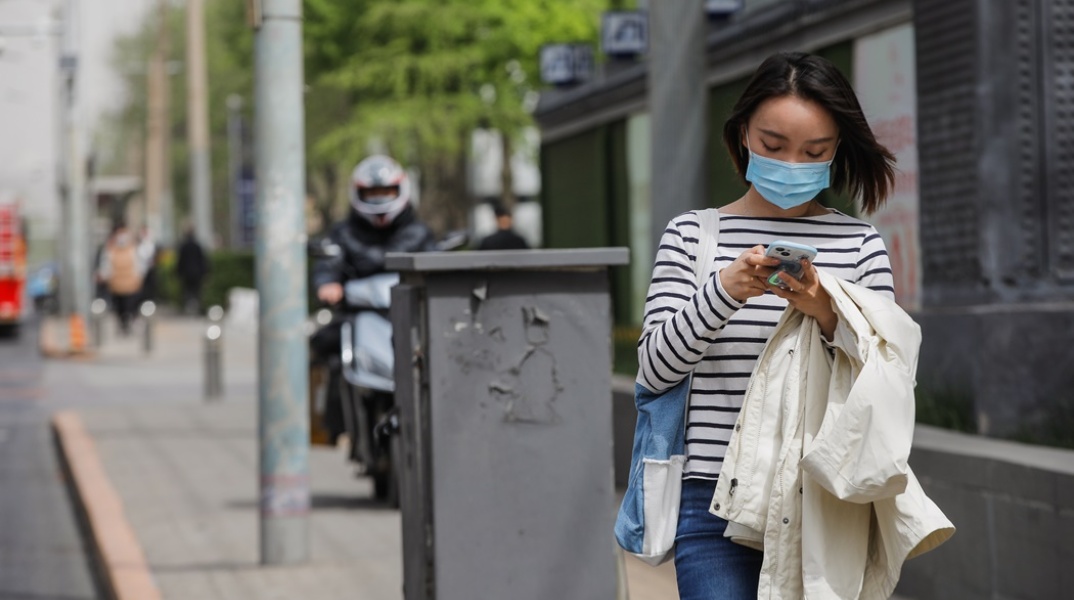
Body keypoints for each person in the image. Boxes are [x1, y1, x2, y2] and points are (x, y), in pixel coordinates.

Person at [636, 51, 897, 598]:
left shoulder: (861, 245)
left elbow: (886, 382)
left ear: (836, 152)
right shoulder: (692, 237)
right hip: (711, 499)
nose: (791, 164)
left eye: (814, 152)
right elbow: (654, 370)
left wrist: (826, 310)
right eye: (774, 146)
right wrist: (725, 290)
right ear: (743, 137)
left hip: (824, 502)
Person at [310, 154, 437, 442]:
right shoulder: (344, 233)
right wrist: (327, 284)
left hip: (408, 315)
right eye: (373, 193)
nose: (380, 199)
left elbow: (436, 261)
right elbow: (328, 265)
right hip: (361, 314)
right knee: (323, 350)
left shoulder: (418, 232)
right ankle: (325, 428)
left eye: (386, 192)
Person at [98, 224, 145, 335]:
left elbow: (139, 266)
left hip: (131, 284)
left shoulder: (133, 249)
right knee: (119, 307)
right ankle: (123, 323)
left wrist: (138, 278)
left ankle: (129, 321)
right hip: (116, 285)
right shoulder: (111, 250)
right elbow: (106, 266)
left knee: (130, 305)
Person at [175, 227, 209, 315]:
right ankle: (196, 307)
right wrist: (206, 272)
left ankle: (189, 307)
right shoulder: (197, 245)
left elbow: (180, 261)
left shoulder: (184, 246)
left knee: (188, 291)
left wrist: (178, 272)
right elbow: (203, 260)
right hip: (197, 273)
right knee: (197, 291)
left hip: (187, 273)